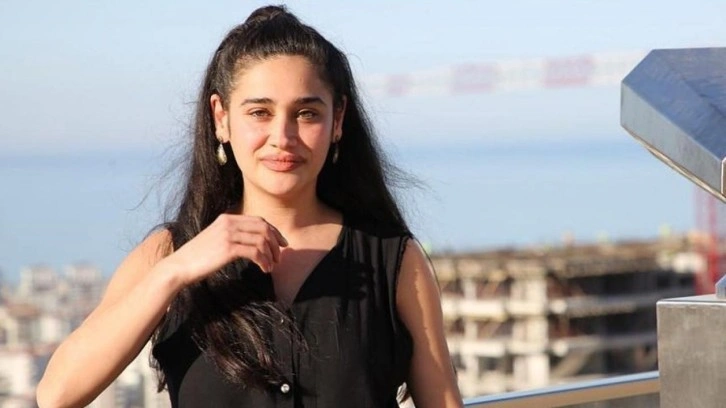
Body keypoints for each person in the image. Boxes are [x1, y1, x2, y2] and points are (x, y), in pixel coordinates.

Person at [36, 5, 463, 408]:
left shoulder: (394, 260)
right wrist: (178, 270)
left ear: (337, 121)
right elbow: (57, 394)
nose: (283, 137)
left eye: (307, 114)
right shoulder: (169, 253)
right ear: (221, 118)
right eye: (259, 112)